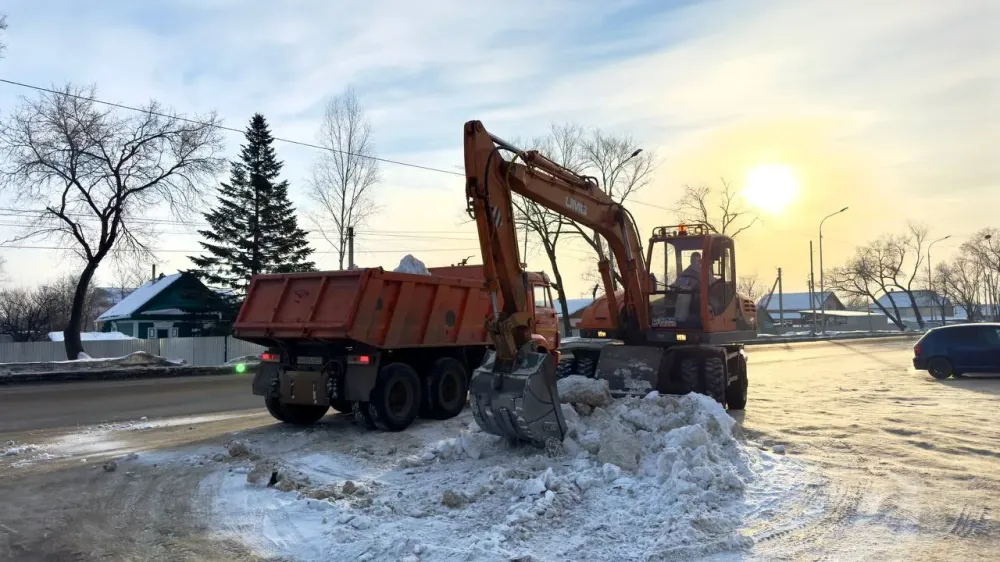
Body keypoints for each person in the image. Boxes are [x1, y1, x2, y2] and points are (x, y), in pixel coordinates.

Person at [671, 252, 712, 321]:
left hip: (704, 296)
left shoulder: (706, 271)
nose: (695, 263)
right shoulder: (687, 272)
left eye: (697, 261)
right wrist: (674, 285)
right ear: (690, 261)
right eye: (693, 260)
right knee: (684, 294)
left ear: (700, 261)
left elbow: (713, 284)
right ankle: (680, 320)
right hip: (690, 296)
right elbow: (678, 282)